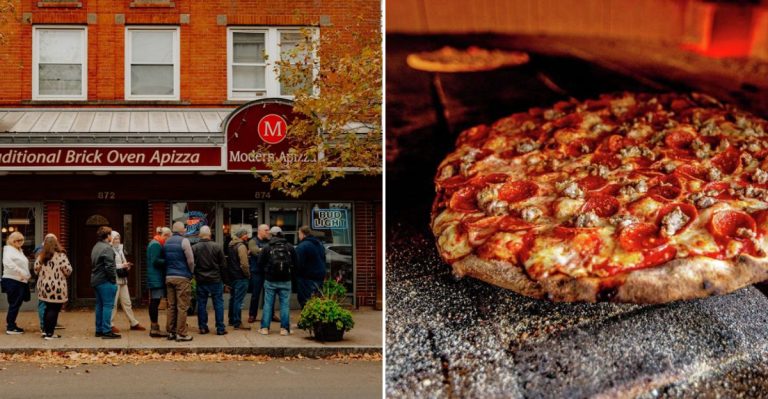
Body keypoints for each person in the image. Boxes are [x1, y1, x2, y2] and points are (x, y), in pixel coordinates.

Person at [257, 226, 298, 336]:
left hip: (270, 280)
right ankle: (284, 329)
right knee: (285, 305)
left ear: (272, 235)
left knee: (268, 304)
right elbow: (296, 263)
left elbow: (260, 263)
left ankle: (264, 328)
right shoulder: (289, 247)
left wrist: (266, 271)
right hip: (286, 280)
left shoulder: (267, 247)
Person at [33, 234, 72, 340]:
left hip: (44, 287)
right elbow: (68, 270)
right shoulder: (61, 256)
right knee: (54, 310)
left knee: (47, 309)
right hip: (57, 288)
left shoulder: (41, 256)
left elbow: (36, 270)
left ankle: (45, 332)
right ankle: (50, 334)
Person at [192, 226, 227, 335]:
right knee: (218, 304)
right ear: (210, 234)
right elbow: (223, 265)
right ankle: (220, 328)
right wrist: (225, 280)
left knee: (201, 304)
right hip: (215, 279)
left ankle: (202, 327)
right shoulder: (217, 246)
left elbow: (191, 264)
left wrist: (194, 275)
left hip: (201, 279)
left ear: (199, 235)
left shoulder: (195, 248)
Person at [165, 221, 195, 342]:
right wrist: (191, 272)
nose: (185, 230)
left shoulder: (167, 241)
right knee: (182, 306)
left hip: (169, 276)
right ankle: (181, 333)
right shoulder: (184, 241)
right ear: (181, 230)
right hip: (182, 277)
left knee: (171, 306)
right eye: (184, 229)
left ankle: (171, 332)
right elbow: (190, 260)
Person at [109, 231, 145, 332]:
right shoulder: (109, 250)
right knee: (113, 303)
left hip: (123, 279)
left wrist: (126, 265)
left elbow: (123, 261)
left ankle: (133, 323)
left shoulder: (120, 249)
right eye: (115, 238)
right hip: (115, 279)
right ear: (111, 239)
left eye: (118, 238)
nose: (117, 240)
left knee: (127, 302)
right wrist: (122, 265)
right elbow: (110, 265)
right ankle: (110, 324)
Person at [91, 226, 120, 339]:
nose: (111, 237)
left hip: (96, 280)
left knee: (99, 305)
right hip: (105, 281)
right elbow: (110, 267)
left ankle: (99, 330)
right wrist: (113, 280)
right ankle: (107, 331)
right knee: (108, 305)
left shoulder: (96, 246)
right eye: (110, 235)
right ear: (107, 236)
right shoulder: (107, 248)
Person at [2, 232, 30, 335]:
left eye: (22, 240)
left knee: (16, 304)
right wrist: (21, 272)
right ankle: (10, 327)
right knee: (14, 304)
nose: (20, 242)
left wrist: (27, 274)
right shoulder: (8, 250)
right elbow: (7, 263)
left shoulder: (19, 250)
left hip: (20, 280)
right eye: (17, 240)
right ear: (12, 240)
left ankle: (12, 325)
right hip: (12, 280)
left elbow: (23, 264)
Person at [147, 226, 171, 337]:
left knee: (154, 302)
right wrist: (168, 261)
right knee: (155, 302)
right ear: (165, 235)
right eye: (168, 238)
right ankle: (154, 328)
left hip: (155, 277)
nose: (168, 240)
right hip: (156, 278)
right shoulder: (156, 244)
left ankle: (154, 327)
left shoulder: (155, 242)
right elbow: (155, 261)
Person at [295, 226, 327, 309]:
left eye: (299, 233)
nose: (298, 236)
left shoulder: (302, 246)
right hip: (319, 276)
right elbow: (323, 259)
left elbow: (298, 264)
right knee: (317, 301)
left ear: (303, 234)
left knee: (306, 302)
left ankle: (307, 316)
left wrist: (296, 275)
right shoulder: (319, 244)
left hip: (307, 278)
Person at [226, 228, 251, 330]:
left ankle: (231, 320)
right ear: (241, 235)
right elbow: (244, 264)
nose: (247, 236)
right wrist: (247, 274)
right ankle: (237, 322)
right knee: (238, 300)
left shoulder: (231, 245)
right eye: (245, 234)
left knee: (233, 298)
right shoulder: (241, 246)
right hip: (240, 276)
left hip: (232, 276)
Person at [247, 224, 270, 323]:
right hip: (256, 272)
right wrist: (266, 251)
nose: (268, 232)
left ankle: (270, 314)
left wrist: (261, 250)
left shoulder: (269, 241)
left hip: (267, 271)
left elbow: (271, 253)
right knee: (255, 295)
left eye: (268, 230)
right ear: (259, 231)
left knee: (269, 295)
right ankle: (252, 315)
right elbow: (256, 253)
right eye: (266, 230)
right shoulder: (253, 241)